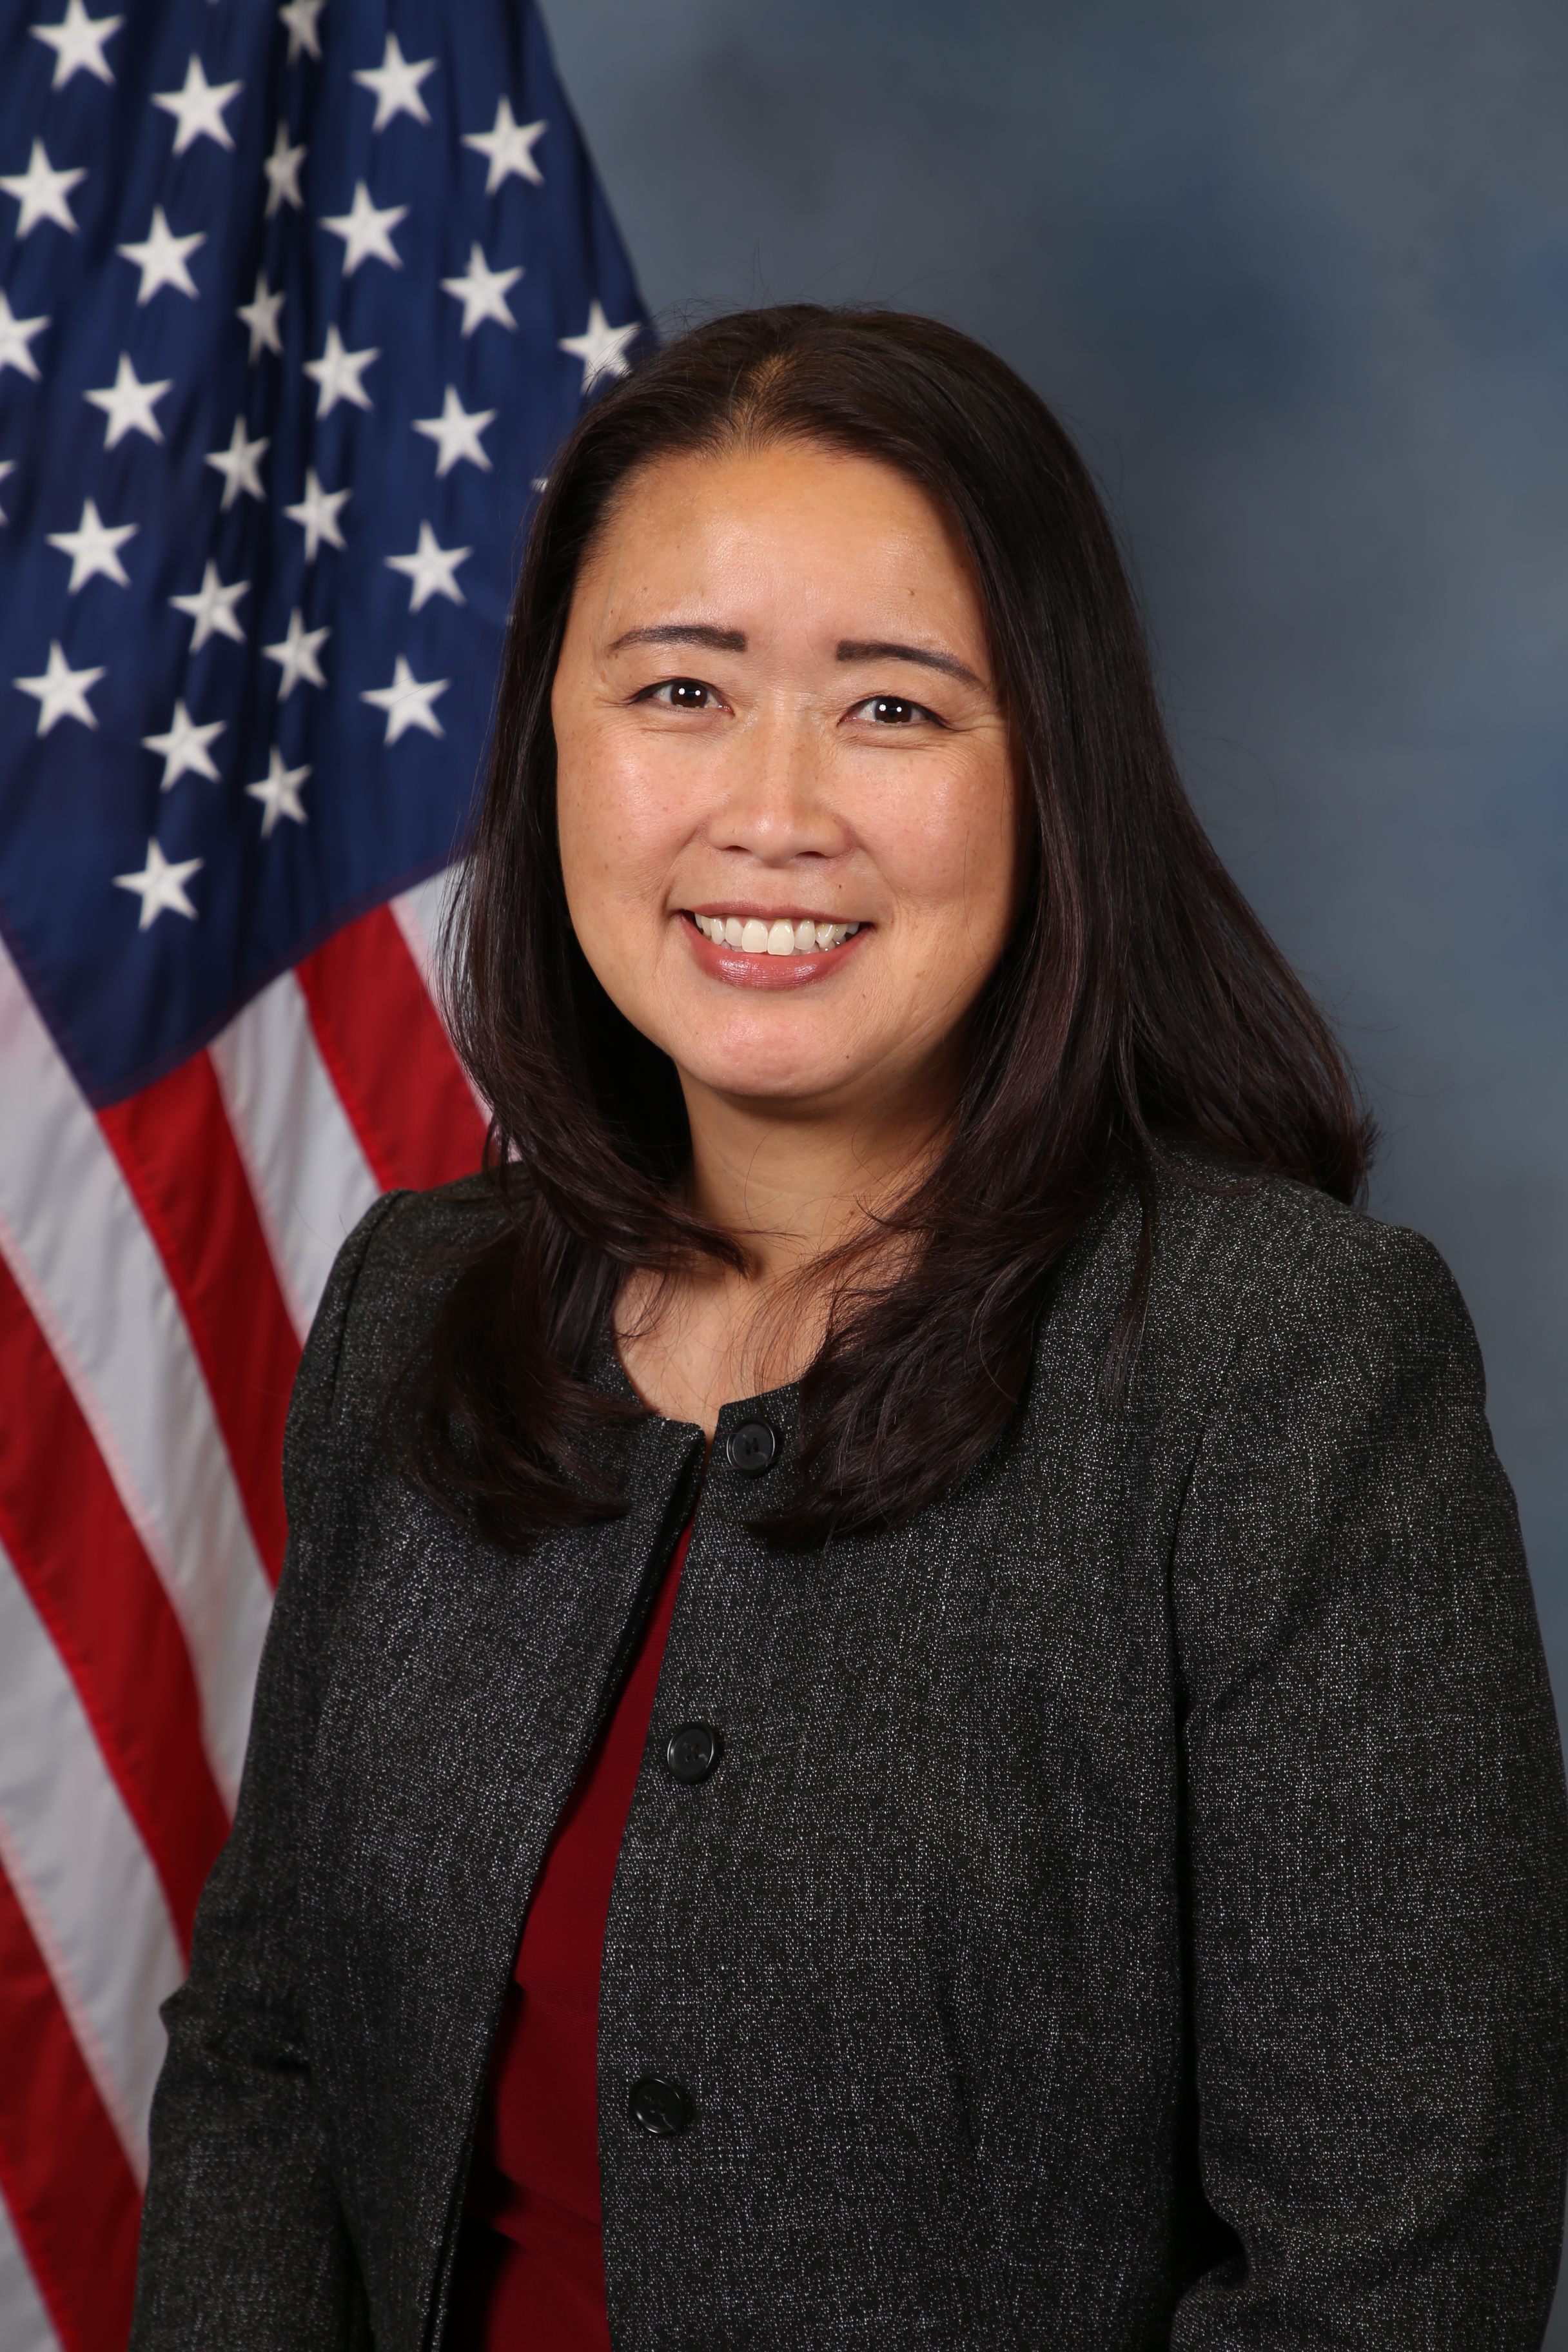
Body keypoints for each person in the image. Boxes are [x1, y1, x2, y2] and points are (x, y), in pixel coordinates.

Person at [130, 306, 1568, 2351]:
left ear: (1045, 774)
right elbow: (272, 2069)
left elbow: (1391, 2274)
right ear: (556, 738)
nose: (772, 810)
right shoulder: (419, 1312)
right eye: (681, 690)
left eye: (892, 711)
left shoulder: (1287, 1369)